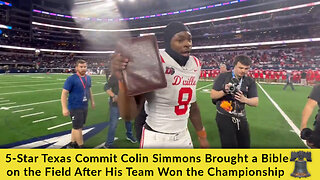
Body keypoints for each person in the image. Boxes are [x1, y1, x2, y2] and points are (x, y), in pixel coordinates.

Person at [111, 22, 209, 148]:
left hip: (184, 135)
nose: (187, 44)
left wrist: (202, 135)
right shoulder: (154, 61)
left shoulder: (195, 64)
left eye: (190, 39)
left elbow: (192, 105)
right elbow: (128, 115)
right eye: (180, 40)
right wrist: (123, 83)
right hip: (156, 137)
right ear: (168, 43)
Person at [211, 55, 258, 148]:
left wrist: (245, 100)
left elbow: (255, 102)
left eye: (246, 68)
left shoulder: (250, 81)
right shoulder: (223, 76)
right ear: (234, 66)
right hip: (224, 116)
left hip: (241, 117)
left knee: (245, 146)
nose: (243, 71)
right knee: (229, 147)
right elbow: (213, 95)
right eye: (241, 68)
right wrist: (224, 91)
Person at [61, 59, 95, 148]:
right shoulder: (71, 79)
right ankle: (81, 147)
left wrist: (92, 101)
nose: (83, 69)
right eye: (81, 67)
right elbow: (64, 94)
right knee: (78, 128)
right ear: (76, 68)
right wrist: (64, 108)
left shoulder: (88, 78)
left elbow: (89, 89)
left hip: (84, 106)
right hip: (75, 107)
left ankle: (72, 143)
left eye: (85, 67)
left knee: (76, 126)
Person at [104, 74, 137, 148]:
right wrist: (113, 95)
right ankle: (108, 143)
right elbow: (106, 86)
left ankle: (129, 135)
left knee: (128, 121)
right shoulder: (115, 76)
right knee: (113, 124)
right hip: (116, 104)